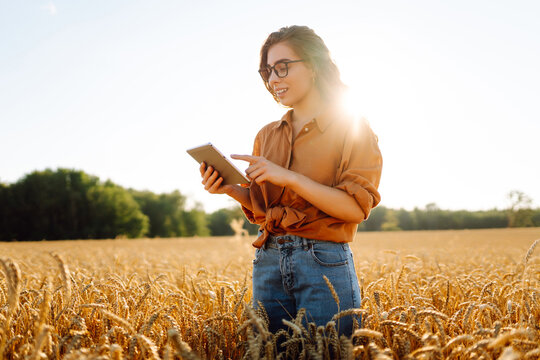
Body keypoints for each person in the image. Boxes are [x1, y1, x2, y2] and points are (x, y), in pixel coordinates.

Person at [199, 25, 382, 336]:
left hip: (323, 262)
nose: (273, 80)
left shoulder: (351, 127)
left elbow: (354, 208)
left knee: (326, 352)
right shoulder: (266, 135)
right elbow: (264, 210)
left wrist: (289, 178)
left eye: (282, 67)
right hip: (268, 259)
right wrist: (230, 189)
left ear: (312, 66)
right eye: (267, 71)